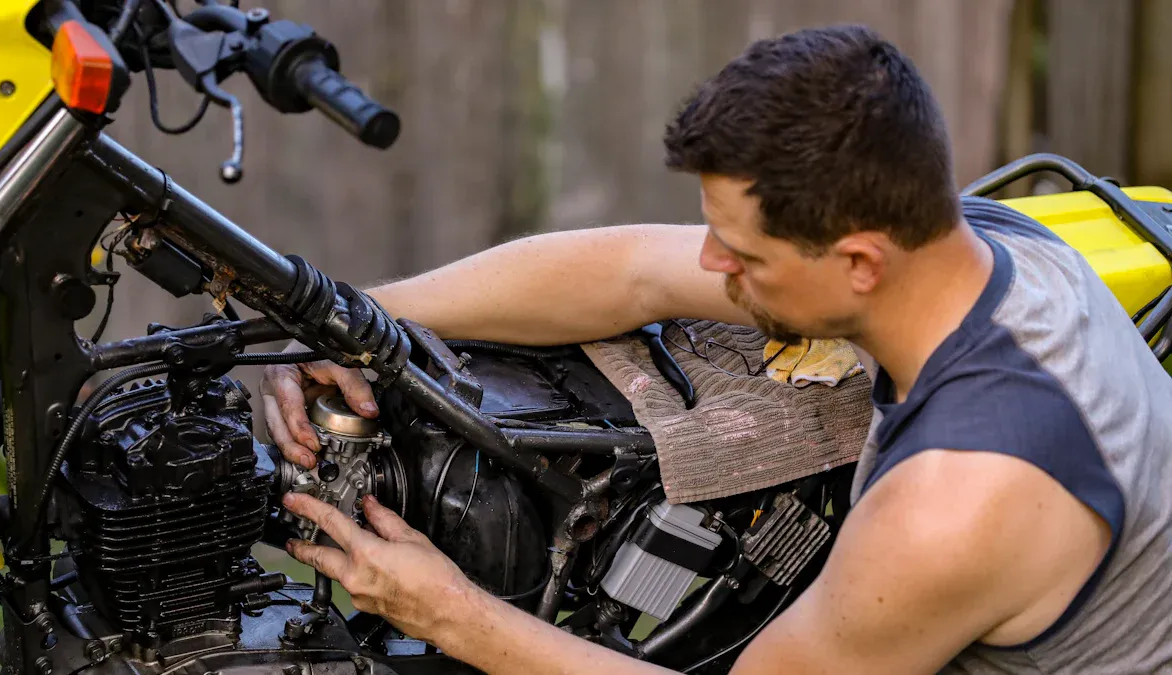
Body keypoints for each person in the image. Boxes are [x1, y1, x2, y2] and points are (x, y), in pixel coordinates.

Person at [260, 24, 1172, 674]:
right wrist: (348, 318)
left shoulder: (953, 506)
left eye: (744, 256)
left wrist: (450, 612)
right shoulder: (982, 245)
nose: (708, 265)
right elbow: (630, 274)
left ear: (859, 262)